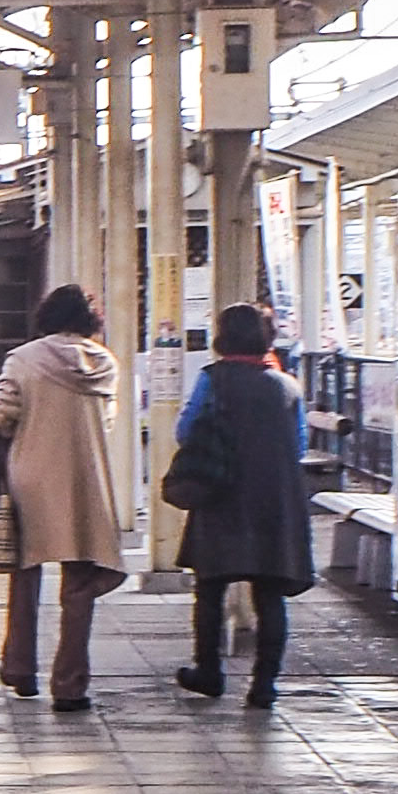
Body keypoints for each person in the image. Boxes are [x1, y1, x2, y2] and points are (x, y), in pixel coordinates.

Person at [0, 284, 126, 709]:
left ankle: (21, 670)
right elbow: (110, 422)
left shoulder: (23, 359)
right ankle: (70, 685)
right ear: (88, 321)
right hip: (86, 480)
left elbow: (0, 416)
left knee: (24, 575)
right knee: (79, 583)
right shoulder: (106, 363)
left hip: (31, 477)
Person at [168, 303, 312, 709]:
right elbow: (299, 445)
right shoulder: (286, 385)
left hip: (222, 495)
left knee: (210, 588)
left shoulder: (213, 380)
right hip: (274, 499)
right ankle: (264, 684)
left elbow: (186, 431)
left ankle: (209, 671)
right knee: (270, 594)